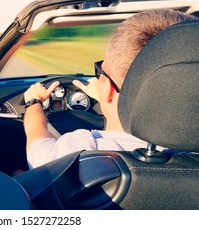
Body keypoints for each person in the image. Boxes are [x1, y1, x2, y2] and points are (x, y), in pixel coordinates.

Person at [23, 9, 196, 168]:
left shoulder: (79, 150)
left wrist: (34, 102)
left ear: (107, 88)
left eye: (100, 73)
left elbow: (36, 135)